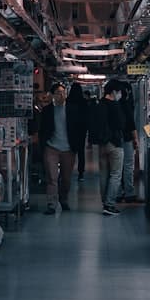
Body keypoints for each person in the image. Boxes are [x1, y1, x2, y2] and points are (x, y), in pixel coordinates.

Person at [33, 82, 86, 215]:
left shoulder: (73, 109)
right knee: (52, 177)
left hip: (68, 148)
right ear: (52, 95)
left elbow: (80, 129)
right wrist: (43, 146)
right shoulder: (47, 111)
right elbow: (43, 130)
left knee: (66, 178)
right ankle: (52, 203)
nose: (61, 95)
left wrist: (78, 146)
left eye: (63, 92)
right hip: (51, 147)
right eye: (58, 93)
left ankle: (64, 199)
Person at [87, 80, 127, 216]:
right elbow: (121, 124)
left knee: (104, 174)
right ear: (114, 92)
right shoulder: (114, 106)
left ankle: (105, 202)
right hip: (115, 144)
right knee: (115, 174)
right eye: (119, 92)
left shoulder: (98, 105)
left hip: (102, 144)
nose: (120, 94)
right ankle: (110, 204)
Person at [117, 81, 142, 203]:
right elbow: (131, 124)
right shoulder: (127, 105)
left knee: (117, 167)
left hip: (115, 140)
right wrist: (136, 139)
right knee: (128, 166)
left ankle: (117, 192)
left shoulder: (114, 104)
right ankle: (129, 192)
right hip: (127, 139)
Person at [69, 83, 89, 181]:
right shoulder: (83, 102)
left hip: (70, 130)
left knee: (70, 151)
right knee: (81, 152)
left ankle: (67, 170)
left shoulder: (68, 101)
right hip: (81, 130)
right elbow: (86, 117)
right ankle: (81, 173)